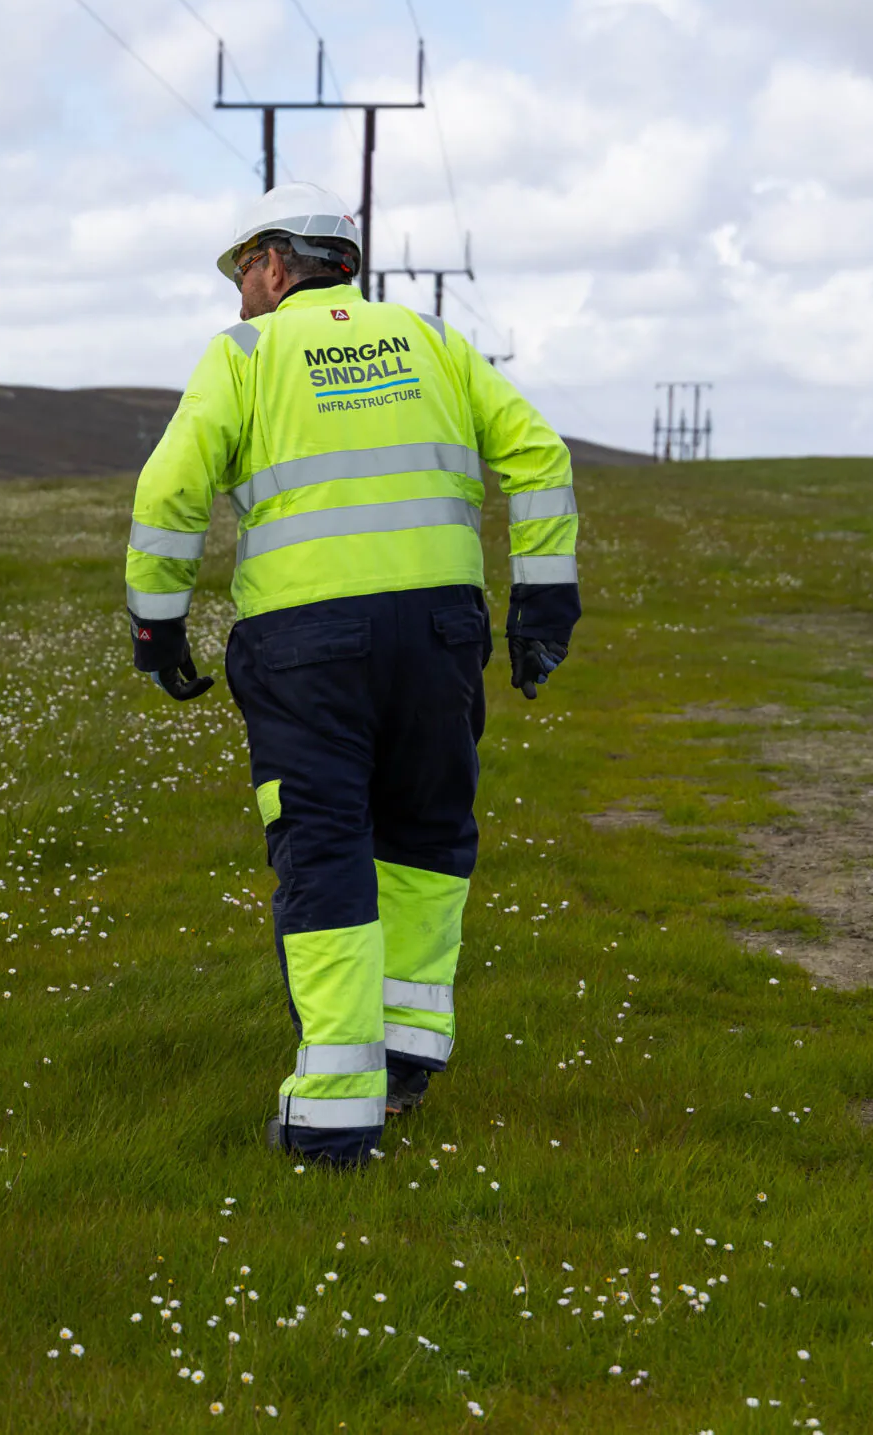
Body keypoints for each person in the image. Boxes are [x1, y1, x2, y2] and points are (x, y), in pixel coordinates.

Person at [124, 181, 580, 1168]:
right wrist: (543, 600)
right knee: (424, 834)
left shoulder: (246, 354)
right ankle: (406, 1057)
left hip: (305, 644)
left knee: (324, 846)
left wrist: (157, 623)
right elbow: (538, 453)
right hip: (440, 631)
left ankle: (334, 1110)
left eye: (242, 270)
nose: (239, 292)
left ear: (277, 266)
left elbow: (171, 489)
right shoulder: (433, 343)